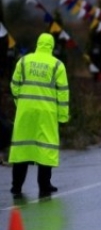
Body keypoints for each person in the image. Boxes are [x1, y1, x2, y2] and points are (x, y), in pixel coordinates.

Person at [9, 33, 69, 197]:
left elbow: (14, 85)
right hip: (47, 112)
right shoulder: (57, 65)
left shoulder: (23, 61)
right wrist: (63, 116)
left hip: (25, 111)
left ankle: (16, 187)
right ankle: (44, 185)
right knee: (45, 147)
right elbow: (63, 94)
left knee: (22, 148)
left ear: (38, 44)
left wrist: (20, 102)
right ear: (51, 46)